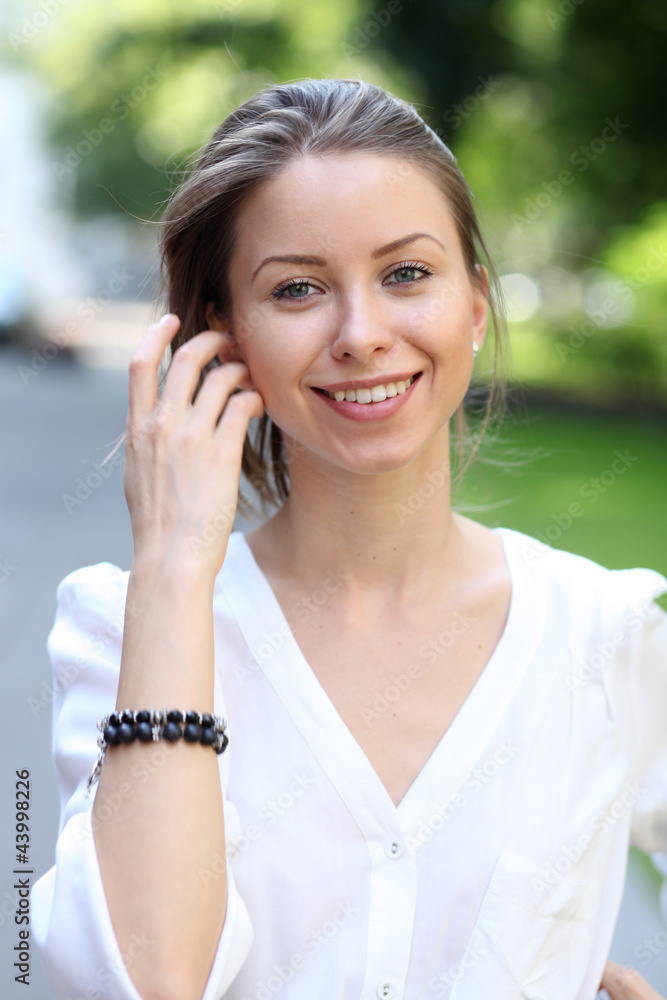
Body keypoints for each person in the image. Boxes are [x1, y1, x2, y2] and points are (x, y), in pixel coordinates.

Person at [31, 77, 667, 1000]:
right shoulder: (122, 632)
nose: (362, 335)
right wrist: (171, 565)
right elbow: (149, 979)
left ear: (475, 307)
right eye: (296, 289)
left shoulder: (608, 633)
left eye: (406, 273)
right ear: (228, 335)